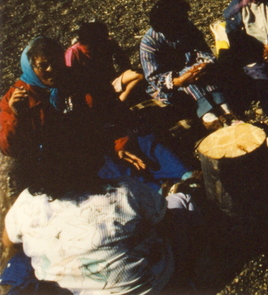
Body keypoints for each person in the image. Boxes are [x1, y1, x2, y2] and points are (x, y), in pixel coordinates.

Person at [2, 124, 200, 294]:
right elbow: (165, 222)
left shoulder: (26, 201)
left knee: (27, 255)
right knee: (181, 201)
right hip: (155, 285)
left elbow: (8, 241)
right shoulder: (122, 189)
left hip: (79, 289)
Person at [1, 36, 192, 194]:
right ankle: (159, 193)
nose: (51, 69)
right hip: (65, 154)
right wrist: (18, 115)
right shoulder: (18, 96)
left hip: (98, 136)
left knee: (144, 139)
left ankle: (185, 178)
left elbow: (111, 109)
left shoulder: (78, 77)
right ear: (31, 68)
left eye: (55, 61)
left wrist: (120, 140)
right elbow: (9, 147)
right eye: (43, 66)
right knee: (111, 169)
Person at [140, 0, 234, 130]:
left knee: (205, 74)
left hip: (193, 71)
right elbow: (153, 77)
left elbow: (203, 51)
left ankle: (226, 109)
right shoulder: (149, 43)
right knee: (189, 80)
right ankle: (209, 116)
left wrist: (204, 64)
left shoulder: (186, 27)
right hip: (170, 85)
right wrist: (178, 81)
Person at [65, 21, 144, 104]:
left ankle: (119, 101)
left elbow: (124, 63)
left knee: (139, 76)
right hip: (91, 91)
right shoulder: (73, 53)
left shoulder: (108, 43)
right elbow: (71, 82)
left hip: (110, 82)